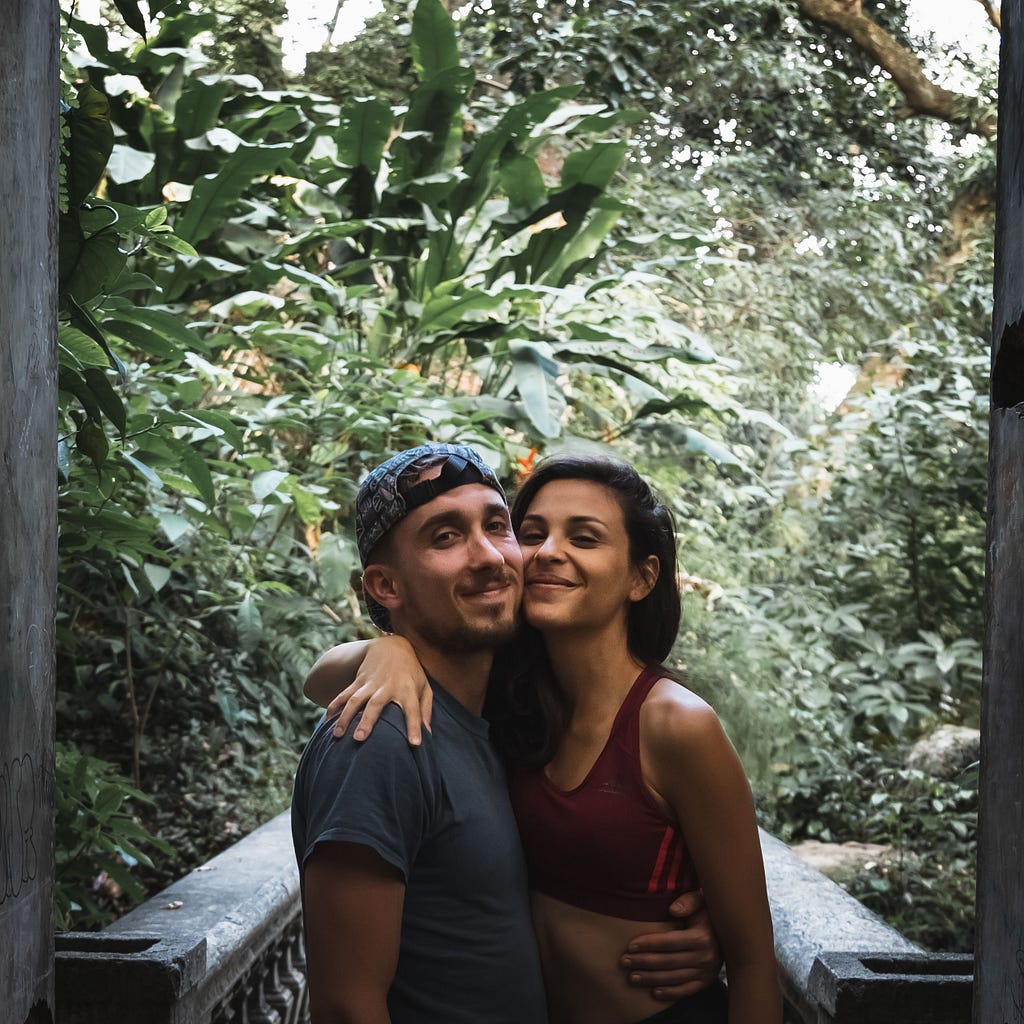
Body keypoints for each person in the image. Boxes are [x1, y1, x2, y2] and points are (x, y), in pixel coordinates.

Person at [306, 449, 781, 1024]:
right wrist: (384, 649)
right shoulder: (496, 712)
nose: (547, 552)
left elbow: (756, 958)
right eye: (533, 533)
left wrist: (719, 936)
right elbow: (320, 679)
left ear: (641, 576)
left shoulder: (670, 723)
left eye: (584, 538)